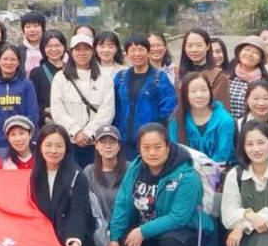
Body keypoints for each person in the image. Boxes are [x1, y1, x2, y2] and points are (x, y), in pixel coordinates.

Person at [107, 123, 203, 246]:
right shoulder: (136, 169)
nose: (152, 153)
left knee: (171, 243)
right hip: (148, 225)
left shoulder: (187, 176)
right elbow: (123, 203)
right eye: (146, 148)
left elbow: (179, 217)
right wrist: (114, 237)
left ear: (168, 146)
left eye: (157, 147)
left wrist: (142, 231)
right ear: (139, 149)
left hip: (180, 231)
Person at [168, 72, 234, 246]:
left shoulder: (224, 119)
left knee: (208, 214)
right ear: (185, 94)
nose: (199, 95)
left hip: (215, 176)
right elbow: (174, 151)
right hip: (185, 175)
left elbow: (223, 156)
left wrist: (202, 169)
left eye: (203, 90)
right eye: (193, 91)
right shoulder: (176, 118)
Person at [23, 124, 94, 246]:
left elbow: (79, 214)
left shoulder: (77, 177)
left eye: (59, 146)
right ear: (40, 147)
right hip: (45, 233)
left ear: (67, 149)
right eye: (48, 145)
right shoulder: (34, 175)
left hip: (71, 230)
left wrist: (74, 241)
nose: (53, 151)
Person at [50, 33, 116, 167]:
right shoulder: (61, 77)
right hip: (68, 141)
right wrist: (75, 132)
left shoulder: (104, 77)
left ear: (92, 51)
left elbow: (107, 110)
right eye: (77, 49)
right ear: (71, 52)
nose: (82, 53)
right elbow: (57, 110)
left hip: (95, 142)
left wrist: (88, 133)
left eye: (86, 49)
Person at [113, 35, 177, 160]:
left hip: (150, 142)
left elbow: (169, 110)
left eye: (141, 49)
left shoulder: (160, 78)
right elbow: (114, 108)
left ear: (148, 52)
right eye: (132, 50)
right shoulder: (120, 78)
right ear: (127, 54)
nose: (137, 54)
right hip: (124, 141)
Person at [0, 44, 40, 159]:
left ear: (18, 62)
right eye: (5, 59)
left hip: (22, 144)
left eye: (13, 59)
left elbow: (33, 115)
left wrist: (31, 140)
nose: (9, 63)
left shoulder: (26, 84)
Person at [82, 126, 125, 246]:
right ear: (96, 145)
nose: (108, 146)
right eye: (103, 142)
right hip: (98, 231)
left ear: (119, 146)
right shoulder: (88, 171)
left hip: (122, 230)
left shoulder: (131, 169)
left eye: (112, 142)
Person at [178, 28, 229, 105]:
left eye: (199, 45)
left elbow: (221, 109)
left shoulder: (219, 77)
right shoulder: (178, 74)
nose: (194, 50)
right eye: (190, 45)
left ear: (208, 46)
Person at [227, 36, 268, 118]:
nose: (250, 54)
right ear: (239, 53)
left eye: (256, 52)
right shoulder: (227, 76)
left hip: (252, 127)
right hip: (227, 127)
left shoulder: (265, 81)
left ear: (260, 59)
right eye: (247, 50)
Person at [29, 29, 67, 125]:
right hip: (47, 125)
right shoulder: (36, 73)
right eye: (49, 46)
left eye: (58, 45)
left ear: (64, 47)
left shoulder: (72, 71)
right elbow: (33, 103)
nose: (54, 49)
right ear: (43, 49)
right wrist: (45, 118)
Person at [18, 11, 47, 75]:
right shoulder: (19, 51)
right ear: (23, 30)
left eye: (35, 26)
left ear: (43, 28)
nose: (32, 30)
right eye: (28, 27)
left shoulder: (50, 48)